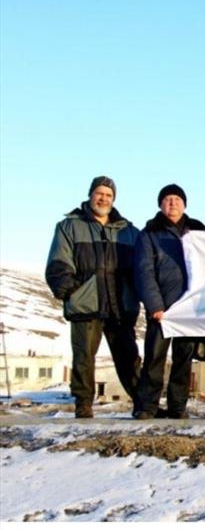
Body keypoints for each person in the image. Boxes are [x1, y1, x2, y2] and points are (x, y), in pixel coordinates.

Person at [45, 176, 140, 418]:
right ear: (90, 195)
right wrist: (74, 291)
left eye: (109, 195)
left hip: (120, 304)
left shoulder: (128, 231)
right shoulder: (69, 227)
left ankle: (143, 403)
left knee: (129, 357)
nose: (103, 199)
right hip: (86, 304)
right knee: (84, 358)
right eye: (99, 193)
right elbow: (58, 265)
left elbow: (141, 269)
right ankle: (83, 404)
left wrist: (136, 294)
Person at [132, 184, 205, 420]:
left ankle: (177, 407)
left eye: (176, 199)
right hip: (161, 309)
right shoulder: (149, 233)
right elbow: (144, 271)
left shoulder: (197, 231)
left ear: (184, 204)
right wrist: (155, 305)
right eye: (167, 199)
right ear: (160, 204)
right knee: (154, 359)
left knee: (183, 361)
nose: (172, 203)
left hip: (189, 308)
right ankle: (146, 406)